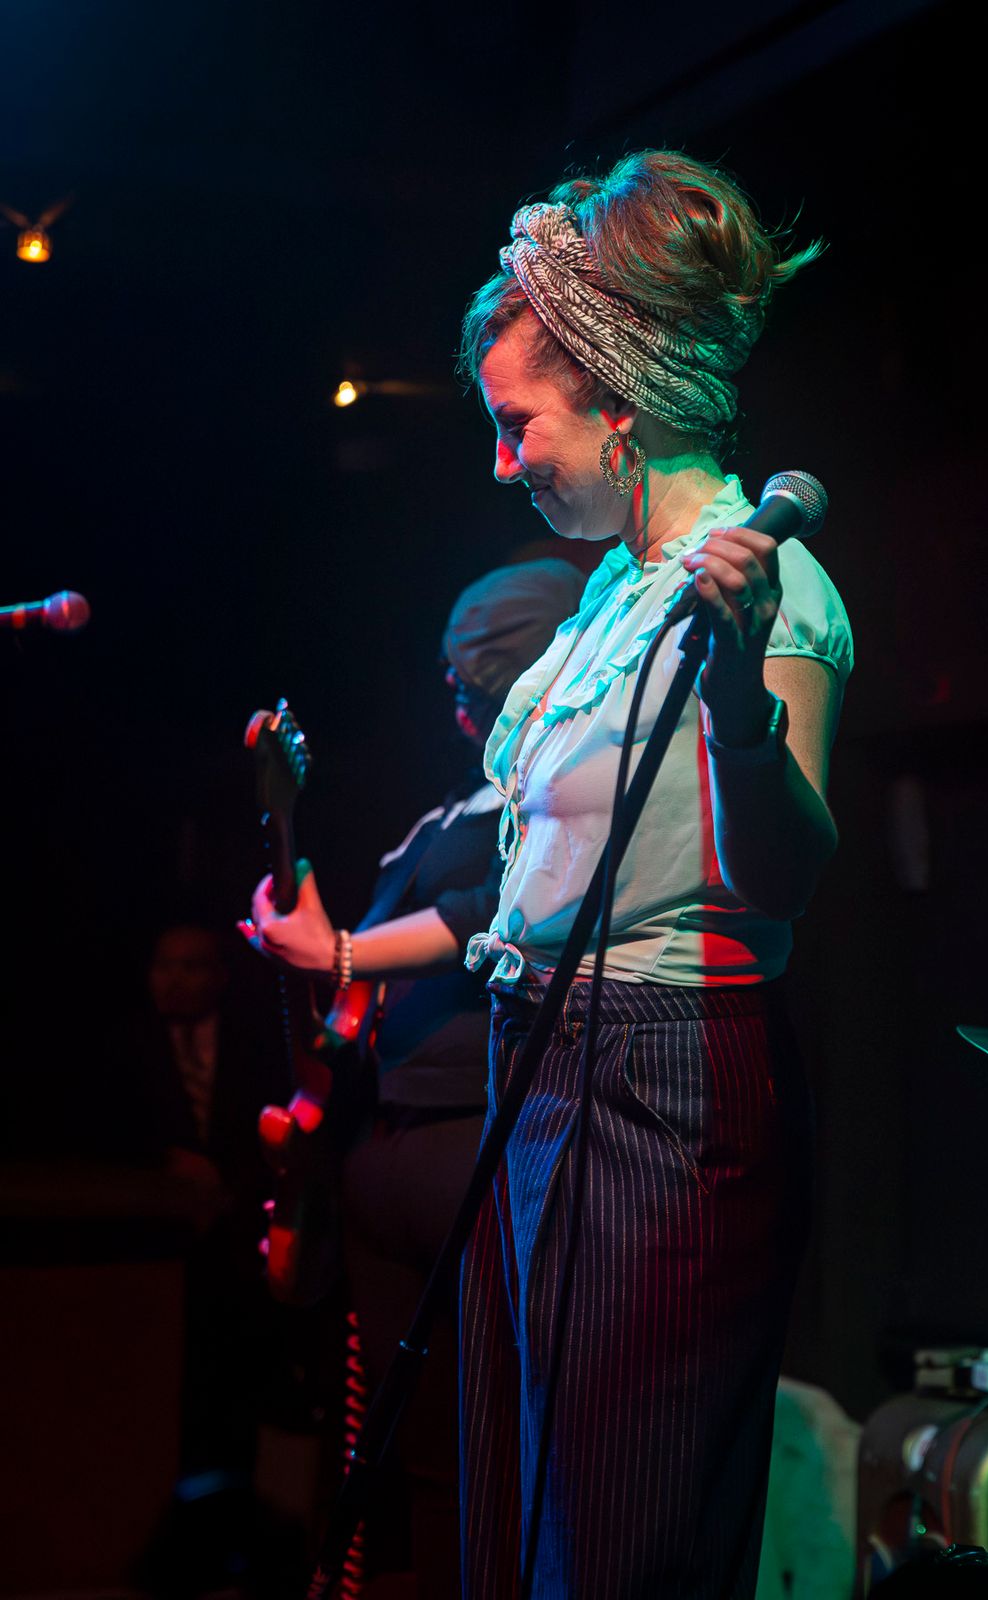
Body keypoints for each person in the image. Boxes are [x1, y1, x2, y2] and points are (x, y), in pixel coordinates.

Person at [453, 150, 854, 1598]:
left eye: (520, 426)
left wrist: (737, 696)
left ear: (618, 405)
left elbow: (784, 875)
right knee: (523, 1522)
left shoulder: (769, 583)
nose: (502, 463)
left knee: (619, 1534)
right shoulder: (607, 601)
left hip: (658, 1074)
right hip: (541, 1060)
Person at [244, 560, 586, 1599]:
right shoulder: (446, 811)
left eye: (478, 673)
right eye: (453, 676)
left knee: (486, 1444)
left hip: (464, 1137)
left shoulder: (544, 801)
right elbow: (357, 992)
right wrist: (309, 944)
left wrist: (340, 950)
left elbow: (492, 913)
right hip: (384, 1146)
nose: (458, 694)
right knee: (415, 1452)